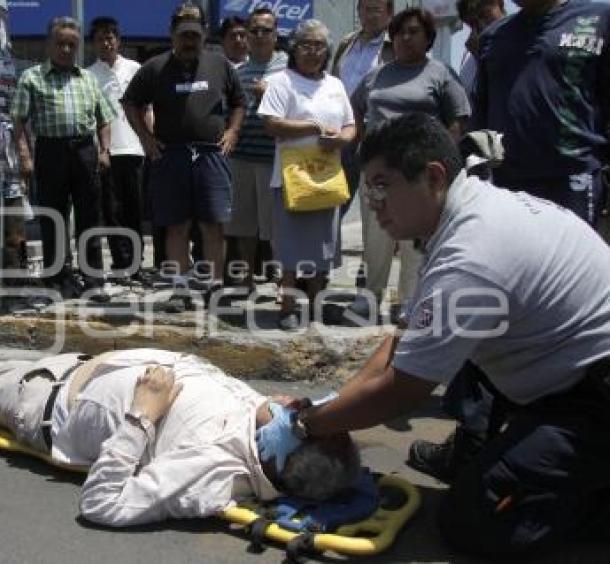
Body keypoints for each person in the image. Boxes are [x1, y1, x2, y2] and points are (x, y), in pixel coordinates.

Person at [257, 113, 610, 557]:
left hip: (592, 397)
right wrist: (337, 407)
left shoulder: (472, 253)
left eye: (383, 186)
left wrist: (307, 425)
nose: (374, 203)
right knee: (474, 428)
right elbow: (404, 340)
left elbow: (404, 388)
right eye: (368, 190)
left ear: (434, 176)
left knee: (473, 520)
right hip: (562, 373)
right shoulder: (463, 218)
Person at [0, 345, 362, 526]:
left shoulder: (212, 471)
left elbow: (103, 504)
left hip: (43, 404)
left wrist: (142, 417)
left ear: (279, 459)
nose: (297, 403)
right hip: (82, 365)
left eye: (302, 418)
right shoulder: (265, 420)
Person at [406, 0, 507, 482]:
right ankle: (476, 428)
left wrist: (314, 422)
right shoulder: (486, 47)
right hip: (495, 179)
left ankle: (480, 437)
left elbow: (406, 380)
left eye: (476, 16)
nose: (471, 29)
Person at [348, 7, 470, 322]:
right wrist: (363, 145)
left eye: (414, 31)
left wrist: (444, 160)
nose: (405, 38)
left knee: (414, 237)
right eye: (400, 32)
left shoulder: (440, 73)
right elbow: (356, 109)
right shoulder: (376, 75)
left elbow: (457, 121)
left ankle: (410, 300)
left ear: (428, 37)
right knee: (376, 235)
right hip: (376, 172)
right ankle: (370, 297)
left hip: (418, 172)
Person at [122, 2, 245, 310]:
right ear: (172, 34)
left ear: (203, 33)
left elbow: (239, 102)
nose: (189, 41)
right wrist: (146, 138)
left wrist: (232, 132)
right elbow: (131, 103)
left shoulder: (220, 65)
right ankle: (180, 289)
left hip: (211, 155)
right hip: (171, 156)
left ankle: (215, 286)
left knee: (213, 225)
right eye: (183, 35)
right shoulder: (154, 67)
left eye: (195, 34)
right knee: (176, 225)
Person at [471, 0, 610, 226]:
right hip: (508, 184)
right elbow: (481, 118)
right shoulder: (493, 37)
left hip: (574, 179)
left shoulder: (599, 19)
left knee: (571, 259)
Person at [258, 19, 356, 330]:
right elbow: (271, 124)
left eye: (319, 46)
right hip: (291, 178)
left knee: (323, 246)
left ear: (327, 51)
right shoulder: (281, 81)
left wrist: (342, 139)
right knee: (289, 248)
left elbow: (351, 125)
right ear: (293, 48)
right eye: (306, 45)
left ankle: (317, 306)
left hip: (327, 176)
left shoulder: (335, 85)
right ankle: (287, 307)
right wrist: (313, 127)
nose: (312, 51)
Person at [12, 17, 116, 302]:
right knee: (53, 218)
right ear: (49, 45)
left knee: (89, 217)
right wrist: (25, 156)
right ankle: (58, 278)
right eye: (61, 44)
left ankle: (93, 279)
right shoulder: (32, 78)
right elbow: (18, 122)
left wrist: (105, 151)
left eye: (72, 44)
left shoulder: (88, 78)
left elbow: (104, 119)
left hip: (85, 151)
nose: (66, 49)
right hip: (50, 151)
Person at [225, 8, 287, 291]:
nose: (260, 36)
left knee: (276, 227)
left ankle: (281, 282)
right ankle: (247, 280)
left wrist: (270, 95)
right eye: (255, 30)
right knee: (244, 225)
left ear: (276, 35)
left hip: (275, 159)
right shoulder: (237, 71)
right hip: (241, 158)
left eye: (266, 30)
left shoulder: (289, 67)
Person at [86, 17, 149, 284]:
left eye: (110, 37)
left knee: (135, 210)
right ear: (94, 43)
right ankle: (122, 265)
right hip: (107, 152)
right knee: (112, 212)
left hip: (135, 149)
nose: (106, 42)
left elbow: (147, 108)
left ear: (118, 40)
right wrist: (101, 150)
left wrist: (150, 140)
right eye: (100, 38)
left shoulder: (136, 69)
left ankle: (136, 266)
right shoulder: (88, 74)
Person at [330, 0, 394, 217]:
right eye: (366, 9)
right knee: (336, 197)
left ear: (389, 13)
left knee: (377, 201)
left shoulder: (394, 44)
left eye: (377, 10)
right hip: (342, 129)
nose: (371, 15)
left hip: (373, 131)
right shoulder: (347, 43)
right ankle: (330, 248)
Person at [454, 0, 505, 104]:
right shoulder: (468, 62)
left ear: (500, 4)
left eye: (486, 16)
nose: (482, 26)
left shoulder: (522, 40)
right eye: (473, 24)